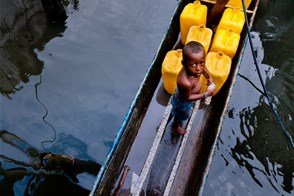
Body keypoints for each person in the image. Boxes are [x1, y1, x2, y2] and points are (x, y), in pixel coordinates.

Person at [171, 41, 215, 135]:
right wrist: (205, 94)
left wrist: (209, 77)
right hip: (183, 101)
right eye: (193, 65)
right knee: (180, 115)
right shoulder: (185, 82)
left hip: (189, 95)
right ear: (184, 63)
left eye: (202, 63)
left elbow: (204, 68)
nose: (199, 68)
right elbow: (186, 97)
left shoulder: (197, 69)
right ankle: (175, 126)